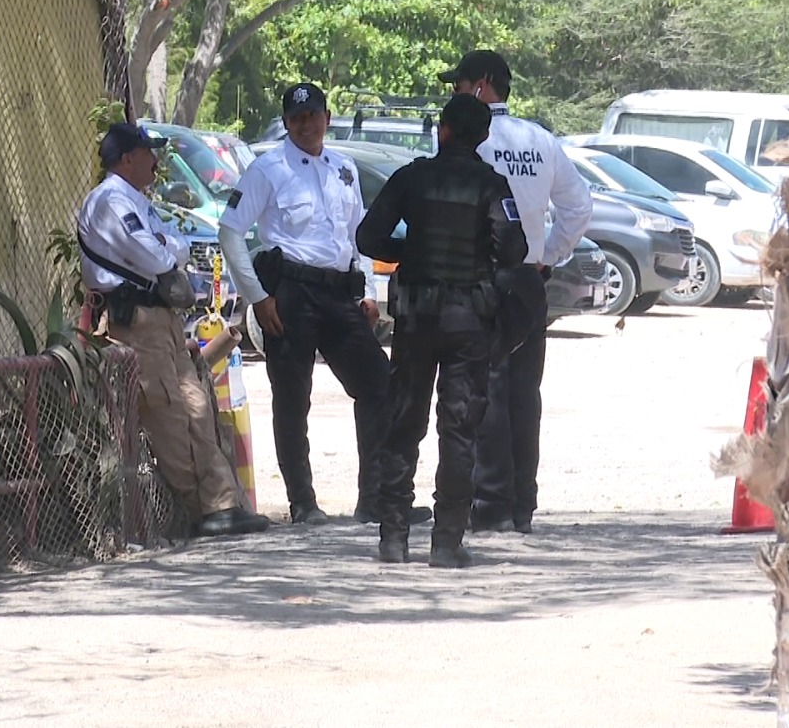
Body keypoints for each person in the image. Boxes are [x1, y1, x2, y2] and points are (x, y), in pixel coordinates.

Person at [218, 82, 427, 526]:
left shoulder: (344, 168)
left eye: (313, 115)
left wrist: (368, 293)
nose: (306, 124)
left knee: (378, 384)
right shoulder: (268, 168)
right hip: (290, 293)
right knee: (293, 399)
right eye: (297, 118)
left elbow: (359, 237)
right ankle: (304, 503)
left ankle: (376, 499)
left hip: (338, 293)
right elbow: (230, 231)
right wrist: (257, 298)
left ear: (327, 117)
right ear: (286, 123)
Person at [356, 94, 528, 568]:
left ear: (443, 130)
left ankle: (393, 537)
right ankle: (447, 542)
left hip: (416, 320)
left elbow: (367, 238)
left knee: (403, 423)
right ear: (484, 137)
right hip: (468, 322)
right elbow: (514, 249)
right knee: (459, 429)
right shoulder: (493, 186)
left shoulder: (412, 177)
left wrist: (410, 253)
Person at [78, 121, 270, 538]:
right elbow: (157, 257)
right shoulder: (111, 200)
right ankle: (199, 507)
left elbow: (172, 244)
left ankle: (222, 504)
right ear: (127, 159)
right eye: (149, 152)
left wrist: (170, 249)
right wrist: (170, 250)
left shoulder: (138, 200)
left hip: (162, 317)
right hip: (137, 321)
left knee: (197, 408)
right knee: (165, 412)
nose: (156, 160)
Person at [439, 50, 593, 534]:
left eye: (460, 85)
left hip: (482, 275)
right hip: (529, 279)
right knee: (525, 392)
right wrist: (550, 253)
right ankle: (523, 502)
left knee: (485, 385)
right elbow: (579, 204)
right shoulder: (540, 140)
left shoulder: (470, 138)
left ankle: (491, 503)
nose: (454, 95)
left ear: (482, 85)